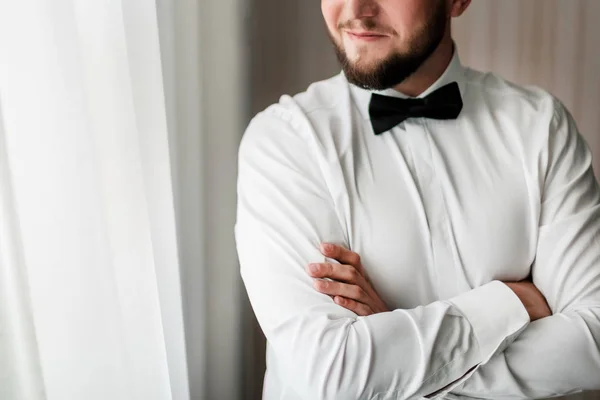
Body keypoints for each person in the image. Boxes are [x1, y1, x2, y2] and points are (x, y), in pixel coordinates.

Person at [234, 0, 600, 398]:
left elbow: (593, 341)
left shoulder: (541, 126)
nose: (355, 8)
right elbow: (331, 375)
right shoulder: (286, 141)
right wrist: (510, 303)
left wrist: (396, 358)